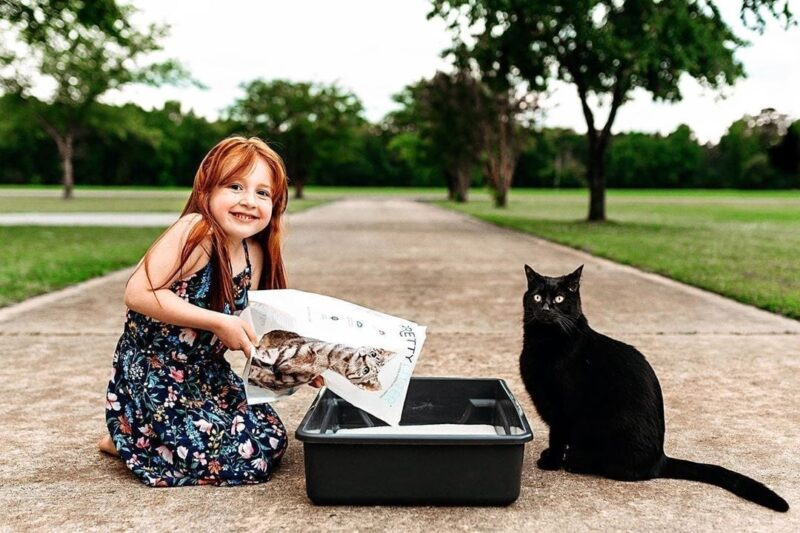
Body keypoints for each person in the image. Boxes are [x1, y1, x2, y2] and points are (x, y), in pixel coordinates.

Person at [98, 136, 314, 486]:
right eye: (235, 186)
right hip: (157, 375)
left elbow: (248, 332)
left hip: (205, 375)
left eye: (263, 193)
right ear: (206, 191)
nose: (249, 201)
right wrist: (216, 321)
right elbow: (138, 292)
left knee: (271, 439)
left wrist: (303, 366)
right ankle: (131, 436)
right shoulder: (196, 233)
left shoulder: (252, 255)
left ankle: (140, 439)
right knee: (243, 462)